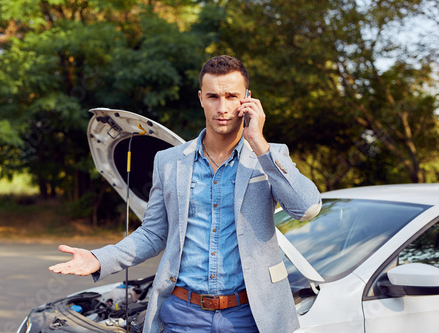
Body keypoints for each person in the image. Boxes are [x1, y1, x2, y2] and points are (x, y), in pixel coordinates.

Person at [49, 55, 322, 332]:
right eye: (214, 97)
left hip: (251, 317)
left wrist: (259, 143)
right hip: (183, 316)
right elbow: (153, 233)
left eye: (232, 96)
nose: (223, 107)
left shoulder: (270, 155)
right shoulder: (169, 161)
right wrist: (99, 259)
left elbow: (307, 208)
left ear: (248, 99)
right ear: (201, 98)